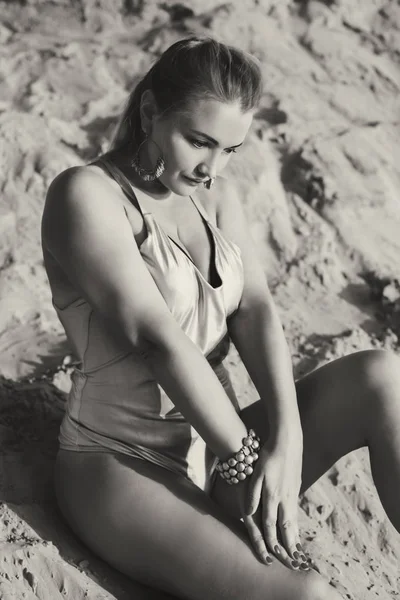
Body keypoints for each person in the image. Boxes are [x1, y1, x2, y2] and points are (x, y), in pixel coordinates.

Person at [41, 36, 400, 600]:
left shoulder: (215, 197)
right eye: (199, 142)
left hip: (220, 452)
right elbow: (157, 340)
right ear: (150, 111)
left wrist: (289, 438)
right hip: (122, 465)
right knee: (307, 595)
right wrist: (249, 456)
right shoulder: (86, 195)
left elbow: (255, 308)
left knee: (383, 377)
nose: (213, 166)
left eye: (231, 149)